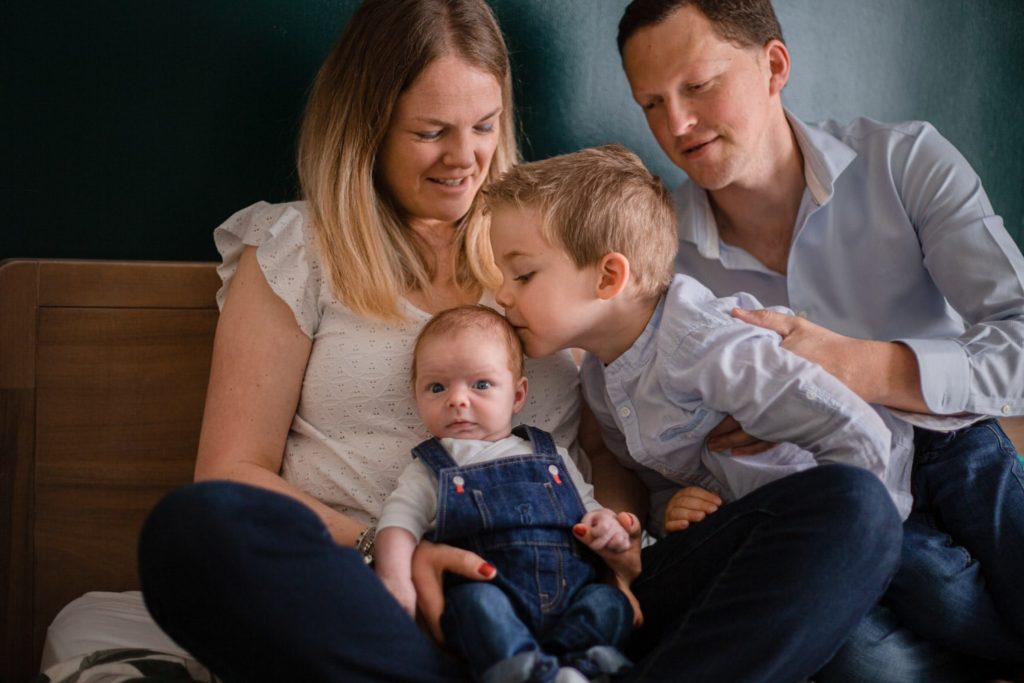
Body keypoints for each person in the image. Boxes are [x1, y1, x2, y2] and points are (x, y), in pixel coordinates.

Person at [137, 1, 902, 682]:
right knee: (190, 534)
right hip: (382, 595)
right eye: (431, 131)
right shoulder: (294, 248)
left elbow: (607, 456)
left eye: (484, 125)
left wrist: (617, 541)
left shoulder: (548, 246)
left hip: (569, 587)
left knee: (854, 508)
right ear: (365, 124)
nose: (464, 156)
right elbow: (232, 472)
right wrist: (395, 548)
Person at [616, 0, 1024, 679]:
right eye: (652, 103)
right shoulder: (659, 261)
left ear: (773, 65)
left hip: (956, 452)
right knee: (868, 665)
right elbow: (660, 448)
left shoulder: (905, 160)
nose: (677, 125)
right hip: (825, 506)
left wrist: (864, 367)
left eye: (699, 86)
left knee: (981, 480)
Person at [486, 142, 912, 533]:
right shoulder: (601, 382)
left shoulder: (709, 346)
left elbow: (855, 430)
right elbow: (653, 483)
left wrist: (857, 539)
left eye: (522, 275)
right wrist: (672, 511)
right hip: (766, 527)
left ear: (608, 276)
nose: (503, 294)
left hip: (876, 502)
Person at [376, 304, 637, 683]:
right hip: (491, 591)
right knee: (473, 607)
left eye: (480, 384)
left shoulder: (551, 455)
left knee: (609, 602)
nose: (458, 400)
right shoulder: (432, 466)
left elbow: (589, 509)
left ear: (517, 396)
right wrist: (395, 578)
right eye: (437, 387)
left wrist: (606, 525)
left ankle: (575, 665)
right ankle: (535, 673)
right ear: (417, 397)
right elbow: (398, 523)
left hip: (569, 591)